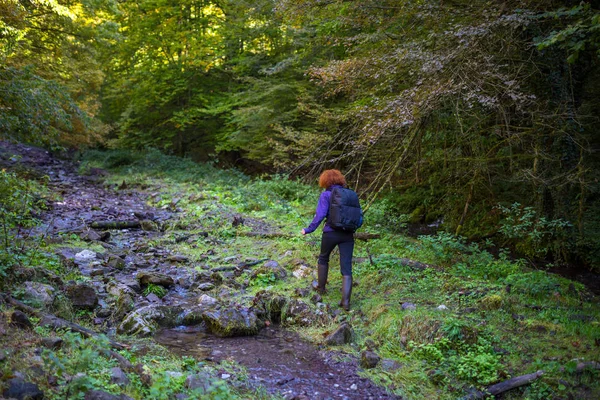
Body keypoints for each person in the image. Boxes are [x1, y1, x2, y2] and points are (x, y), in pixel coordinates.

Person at [301, 169, 354, 311]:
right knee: (346, 267)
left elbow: (320, 215)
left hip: (330, 232)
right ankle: (346, 302)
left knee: (323, 258)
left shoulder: (326, 195)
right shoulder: (349, 195)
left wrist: (308, 229)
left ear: (325, 181)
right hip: (348, 234)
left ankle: (321, 288)